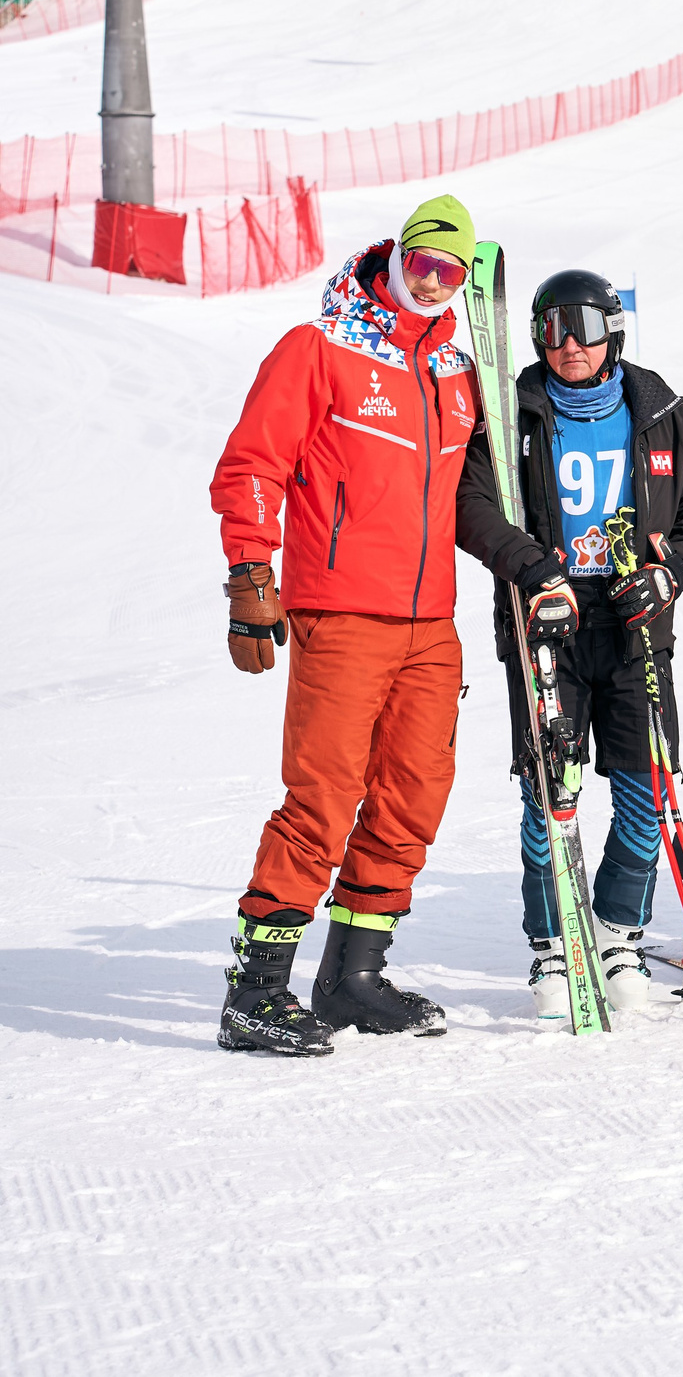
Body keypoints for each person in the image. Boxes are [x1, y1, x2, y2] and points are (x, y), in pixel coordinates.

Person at [207, 196, 487, 1054]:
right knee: (323, 795)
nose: (432, 282)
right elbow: (252, 464)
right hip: (340, 613)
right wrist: (253, 574)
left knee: (413, 795)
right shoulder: (319, 348)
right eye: (422, 262)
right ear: (394, 255)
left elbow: (475, 495)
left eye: (452, 271)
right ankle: (257, 990)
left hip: (429, 624)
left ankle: (352, 976)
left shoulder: (457, 372)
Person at [455, 270, 683, 1015]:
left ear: (614, 330)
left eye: (583, 326)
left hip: (635, 621)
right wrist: (535, 568)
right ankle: (552, 949)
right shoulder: (514, 413)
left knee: (648, 788)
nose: (568, 344)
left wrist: (670, 575)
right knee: (551, 791)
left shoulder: (666, 413)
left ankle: (617, 934)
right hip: (548, 616)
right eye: (551, 328)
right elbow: (473, 505)